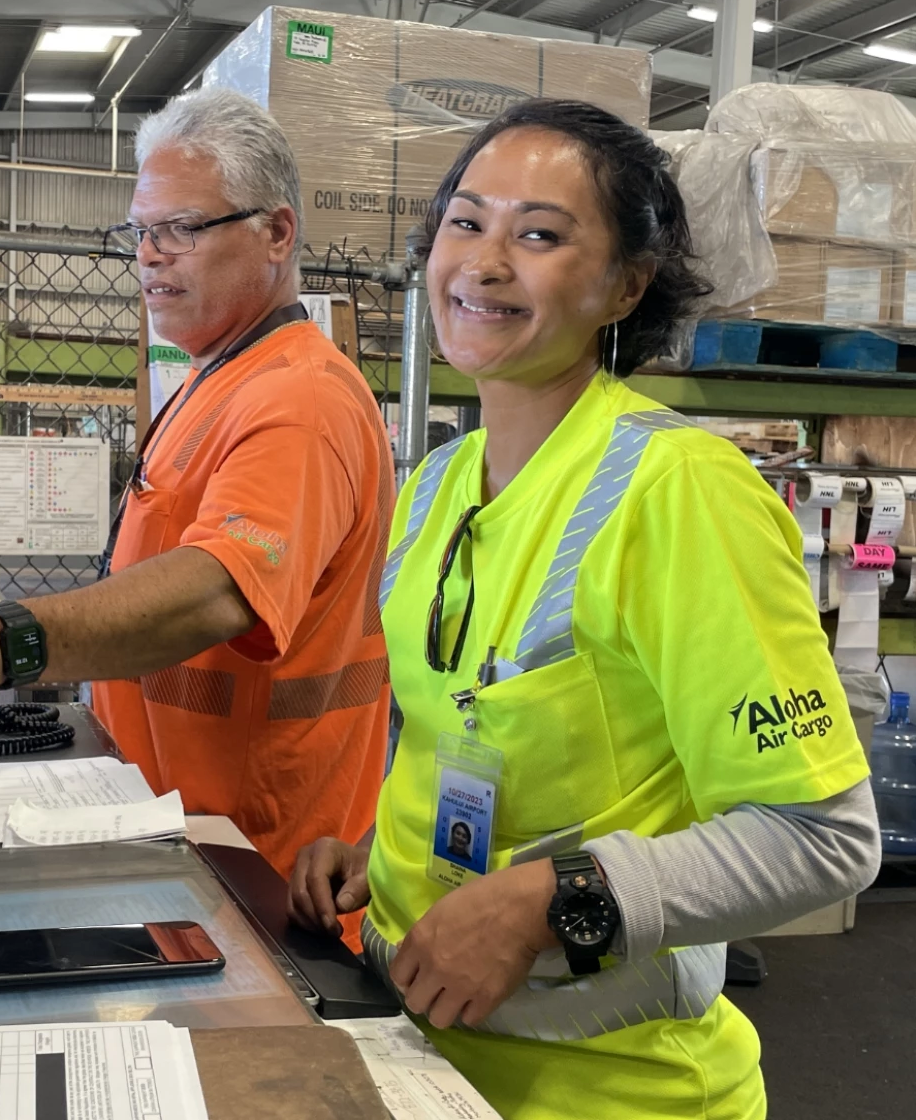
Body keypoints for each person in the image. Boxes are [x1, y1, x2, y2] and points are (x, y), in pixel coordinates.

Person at [288, 99, 880, 1120]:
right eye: (466, 223)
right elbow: (466, 729)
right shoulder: (436, 485)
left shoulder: (681, 494)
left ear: (625, 287)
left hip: (616, 1093)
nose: (482, 262)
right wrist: (383, 851)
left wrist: (551, 900)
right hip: (420, 1058)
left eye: (541, 235)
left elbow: (825, 837)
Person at [0, 88, 395, 884]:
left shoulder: (298, 398)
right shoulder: (220, 378)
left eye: (182, 229)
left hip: (255, 862)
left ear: (277, 232)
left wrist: (8, 639)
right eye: (140, 231)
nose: (149, 255)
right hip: (168, 824)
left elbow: (219, 590)